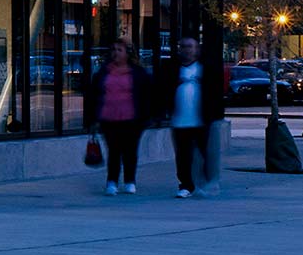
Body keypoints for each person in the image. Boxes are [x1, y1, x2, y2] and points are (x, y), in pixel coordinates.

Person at [155, 36, 219, 198]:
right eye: (184, 47)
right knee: (183, 155)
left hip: (201, 120)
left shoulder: (205, 69)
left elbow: (214, 93)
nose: (187, 50)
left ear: (197, 49)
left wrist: (213, 114)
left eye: (190, 47)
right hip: (180, 120)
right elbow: (163, 91)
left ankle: (206, 180)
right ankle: (186, 185)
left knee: (205, 152)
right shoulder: (172, 69)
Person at [86, 41, 147, 195]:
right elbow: (94, 96)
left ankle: (129, 181)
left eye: (119, 50)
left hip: (132, 119)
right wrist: (92, 119)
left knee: (130, 151)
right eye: (113, 49)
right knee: (113, 151)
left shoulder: (137, 73)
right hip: (109, 118)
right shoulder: (103, 73)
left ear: (127, 53)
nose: (116, 53)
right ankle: (111, 182)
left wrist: (147, 117)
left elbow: (148, 95)